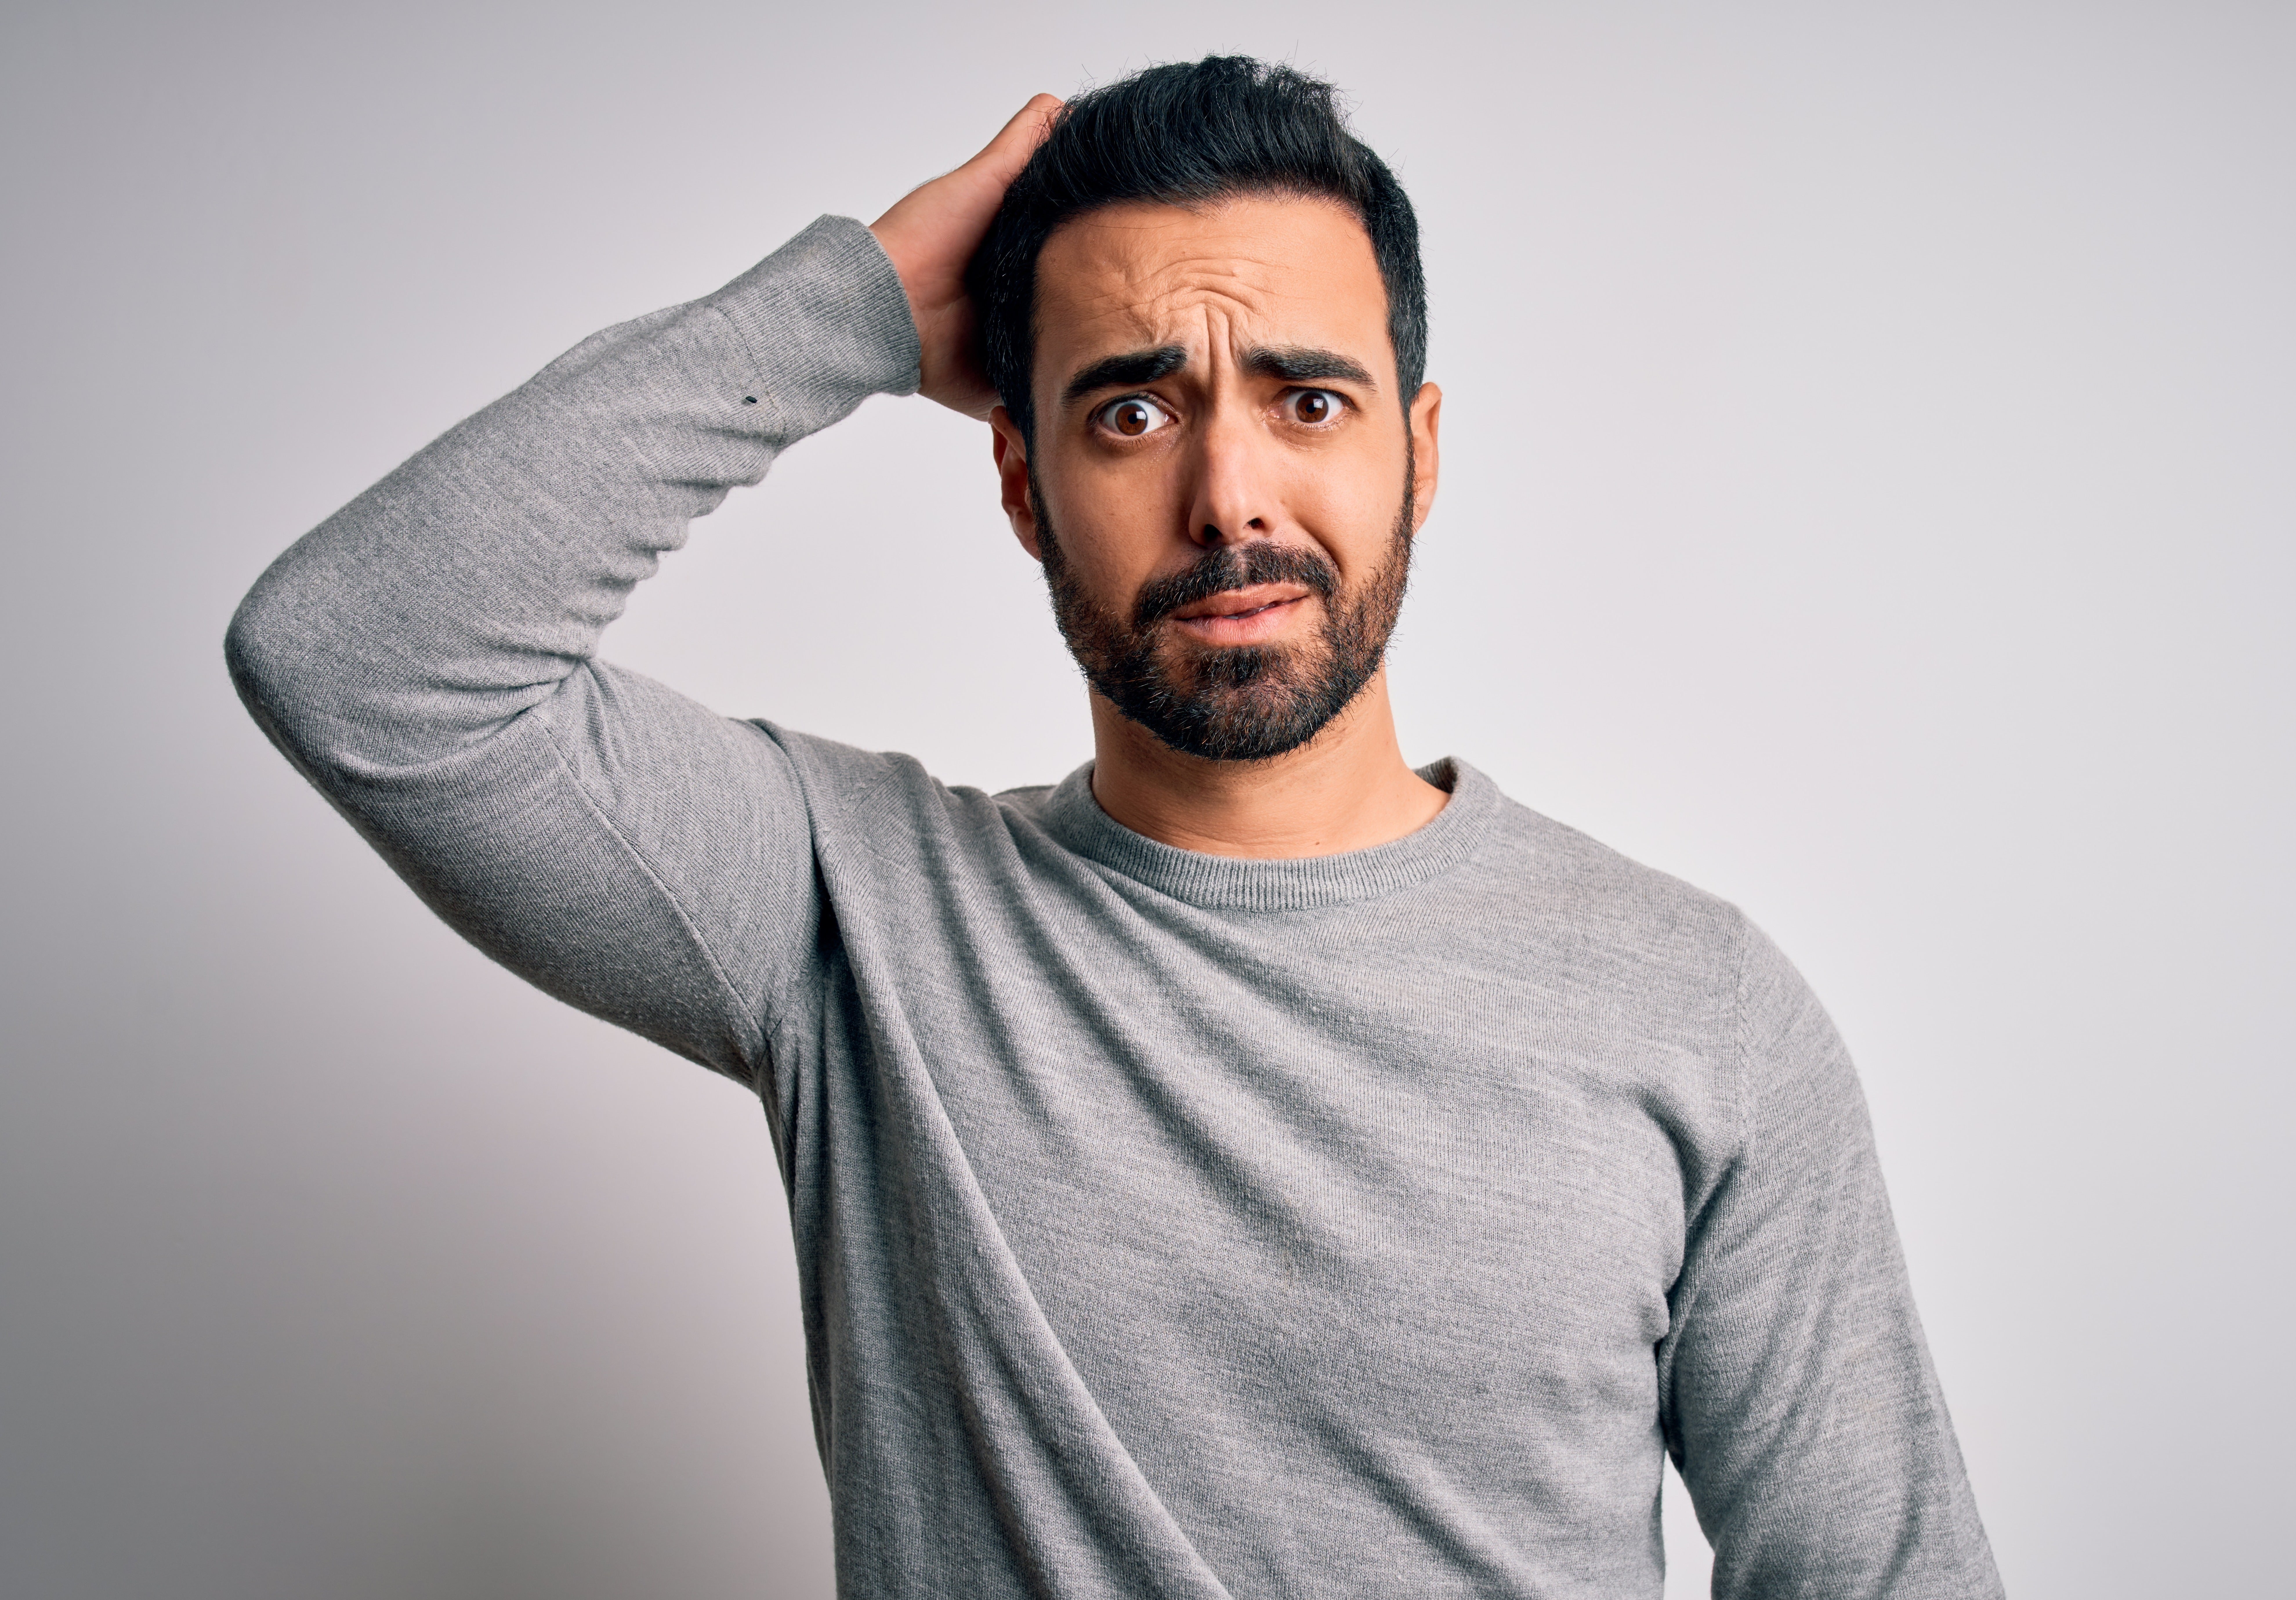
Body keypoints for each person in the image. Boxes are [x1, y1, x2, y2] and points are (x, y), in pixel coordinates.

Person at [227, 55, 2003, 1600]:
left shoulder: (1696, 1003)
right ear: (1020, 482)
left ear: (1420, 449)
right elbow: (360, 657)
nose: (1228, 494)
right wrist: (847, 307)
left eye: (1308, 401)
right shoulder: (851, 919)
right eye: (1132, 409)